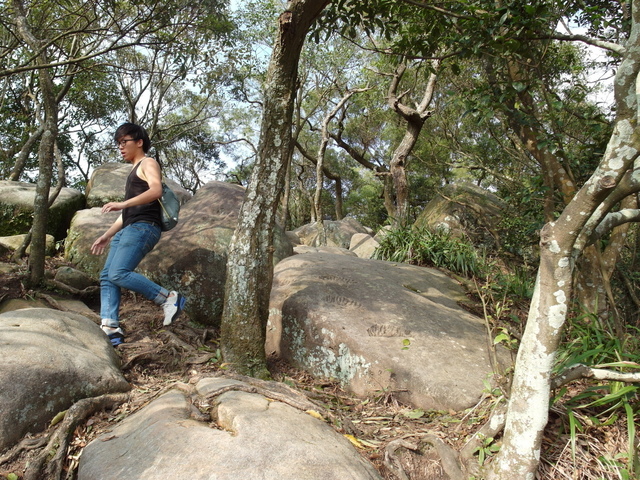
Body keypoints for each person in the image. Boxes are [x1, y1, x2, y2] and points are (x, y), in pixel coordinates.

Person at [91, 122, 186, 346]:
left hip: (144, 227)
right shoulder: (133, 171)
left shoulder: (148, 162)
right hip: (129, 228)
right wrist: (107, 235)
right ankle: (110, 327)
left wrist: (122, 203)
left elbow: (156, 190)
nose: (121, 147)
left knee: (118, 273)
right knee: (107, 276)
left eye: (124, 142)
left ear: (139, 142)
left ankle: (168, 298)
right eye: (118, 143)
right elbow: (128, 213)